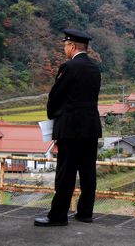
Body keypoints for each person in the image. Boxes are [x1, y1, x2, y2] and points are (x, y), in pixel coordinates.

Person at [34, 29, 102, 227]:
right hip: (90, 128)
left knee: (66, 172)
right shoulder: (94, 68)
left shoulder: (69, 67)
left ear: (72, 46)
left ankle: (58, 216)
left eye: (65, 45)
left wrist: (53, 115)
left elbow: (56, 96)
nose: (65, 49)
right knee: (88, 171)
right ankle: (85, 212)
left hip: (70, 129)